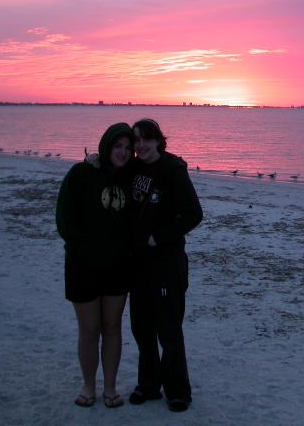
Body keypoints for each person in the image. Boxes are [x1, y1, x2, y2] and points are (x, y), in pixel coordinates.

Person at [56, 122, 134, 408]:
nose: (123, 153)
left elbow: (158, 163)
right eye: (117, 146)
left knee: (112, 327)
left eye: (128, 148)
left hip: (118, 267)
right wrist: (83, 249)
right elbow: (65, 219)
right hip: (83, 267)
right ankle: (89, 387)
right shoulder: (81, 173)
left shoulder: (130, 177)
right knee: (89, 330)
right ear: (106, 145)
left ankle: (110, 388)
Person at [127, 118, 203, 412]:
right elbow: (109, 170)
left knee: (169, 330)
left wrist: (158, 237)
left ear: (159, 140)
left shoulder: (173, 170)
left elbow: (193, 214)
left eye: (147, 139)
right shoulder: (133, 169)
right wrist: (93, 159)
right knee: (141, 329)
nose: (141, 145)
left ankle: (178, 390)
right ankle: (148, 385)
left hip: (167, 265)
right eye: (136, 140)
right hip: (138, 266)